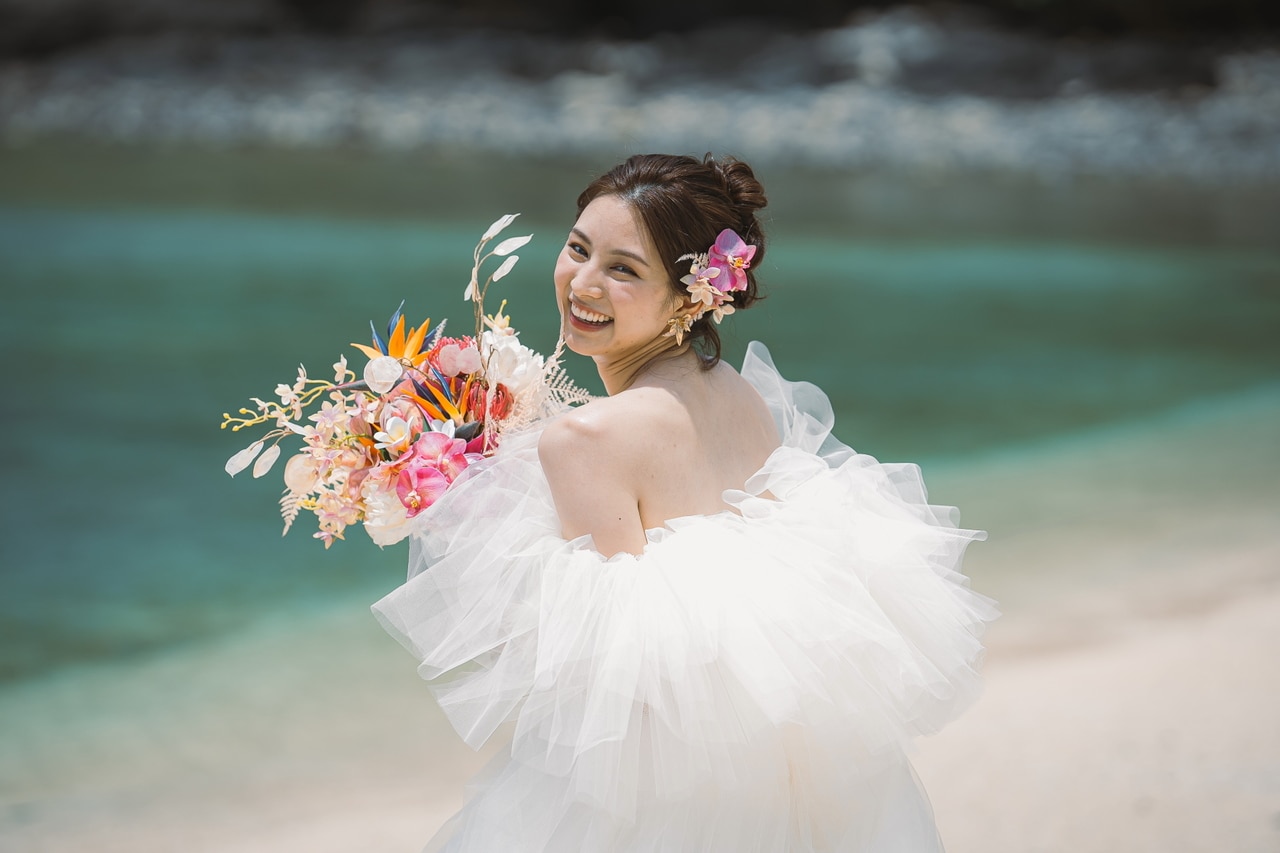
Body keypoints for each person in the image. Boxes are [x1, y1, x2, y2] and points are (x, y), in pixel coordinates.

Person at [373, 154, 997, 852]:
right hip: (783, 774)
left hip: (655, 799)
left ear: (689, 297)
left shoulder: (584, 439)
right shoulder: (735, 389)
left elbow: (606, 673)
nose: (583, 284)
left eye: (624, 269)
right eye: (578, 248)